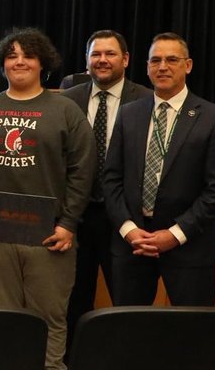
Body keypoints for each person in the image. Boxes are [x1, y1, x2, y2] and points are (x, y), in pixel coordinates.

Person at [0, 28, 95, 370]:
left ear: (42, 63)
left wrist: (68, 224)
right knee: (3, 317)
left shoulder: (66, 111)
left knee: (50, 315)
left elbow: (83, 171)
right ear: (2, 64)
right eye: (12, 55)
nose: (19, 61)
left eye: (28, 55)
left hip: (50, 236)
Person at [102, 32, 215, 307]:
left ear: (188, 65)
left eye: (171, 60)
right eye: (155, 60)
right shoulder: (129, 114)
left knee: (191, 329)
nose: (162, 67)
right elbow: (111, 178)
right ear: (147, 67)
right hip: (133, 247)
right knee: (128, 327)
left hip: (190, 246)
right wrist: (128, 229)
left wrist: (174, 235)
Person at [61, 30, 151, 347]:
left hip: (125, 217)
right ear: (86, 60)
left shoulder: (146, 100)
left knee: (127, 298)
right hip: (77, 215)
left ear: (125, 59)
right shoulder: (67, 100)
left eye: (110, 54)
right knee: (74, 297)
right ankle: (73, 364)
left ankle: (124, 363)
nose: (102, 60)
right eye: (95, 54)